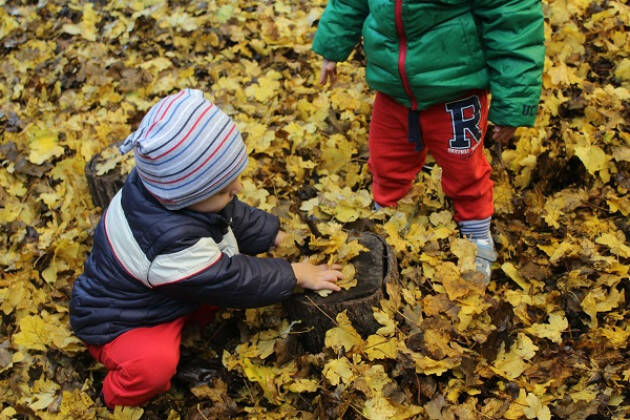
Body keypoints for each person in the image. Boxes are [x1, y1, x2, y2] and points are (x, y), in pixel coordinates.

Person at [70, 88, 343, 408]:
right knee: (153, 367)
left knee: (215, 285)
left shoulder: (167, 191)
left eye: (233, 181)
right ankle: (111, 400)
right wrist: (293, 273)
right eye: (225, 189)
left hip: (162, 296)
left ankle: (189, 323)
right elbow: (230, 279)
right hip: (121, 322)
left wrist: (275, 237)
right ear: (184, 196)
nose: (238, 189)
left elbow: (232, 214)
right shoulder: (165, 241)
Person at [312, 0, 545, 283]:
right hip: (393, 88)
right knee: (386, 158)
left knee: (464, 167)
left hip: (456, 90)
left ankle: (476, 229)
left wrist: (514, 102)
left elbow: (513, 21)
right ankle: (385, 216)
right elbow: (349, 3)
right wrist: (331, 49)